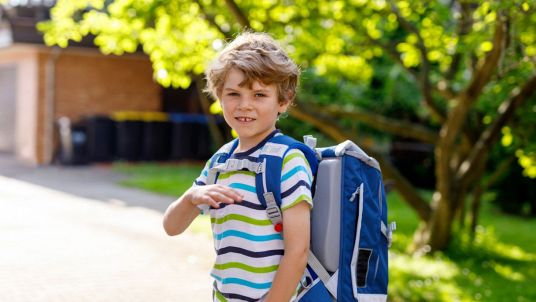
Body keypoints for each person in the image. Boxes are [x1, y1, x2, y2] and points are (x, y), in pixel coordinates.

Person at [163, 32, 313, 302]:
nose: (245, 105)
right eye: (234, 93)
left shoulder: (287, 161)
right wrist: (190, 198)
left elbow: (298, 252)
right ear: (219, 96)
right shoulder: (220, 161)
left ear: (283, 101)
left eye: (259, 95)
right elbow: (172, 227)